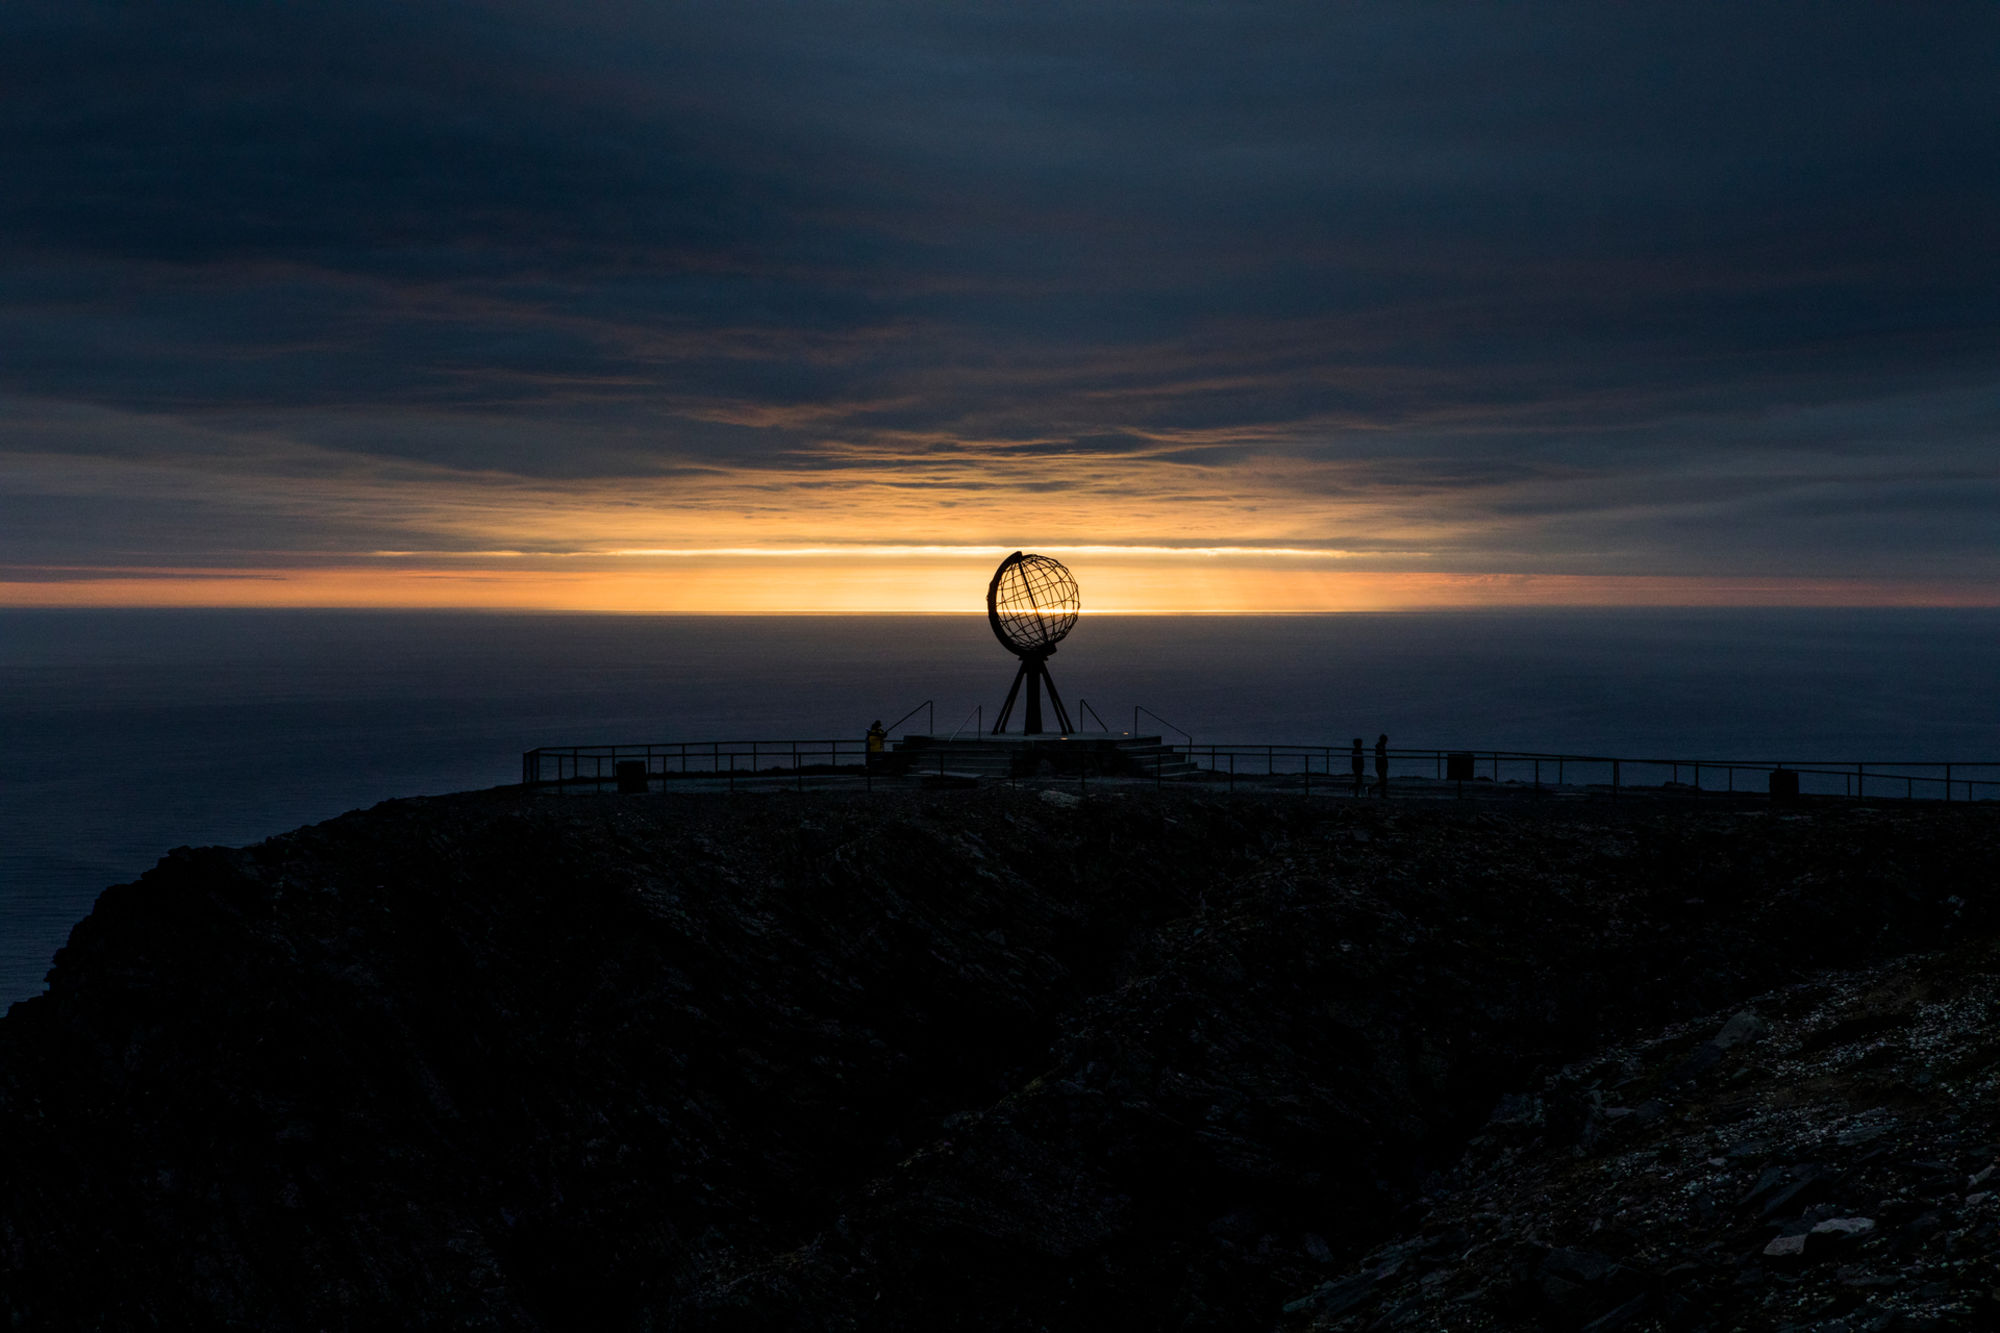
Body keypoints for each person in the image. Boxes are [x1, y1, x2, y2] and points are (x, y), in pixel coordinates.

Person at [1374, 733, 1390, 798]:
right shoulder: (1380, 747)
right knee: (1383, 780)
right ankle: (1371, 789)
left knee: (1383, 780)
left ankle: (1383, 793)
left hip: (1382, 765)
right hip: (1380, 765)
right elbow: (1381, 757)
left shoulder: (1381, 746)